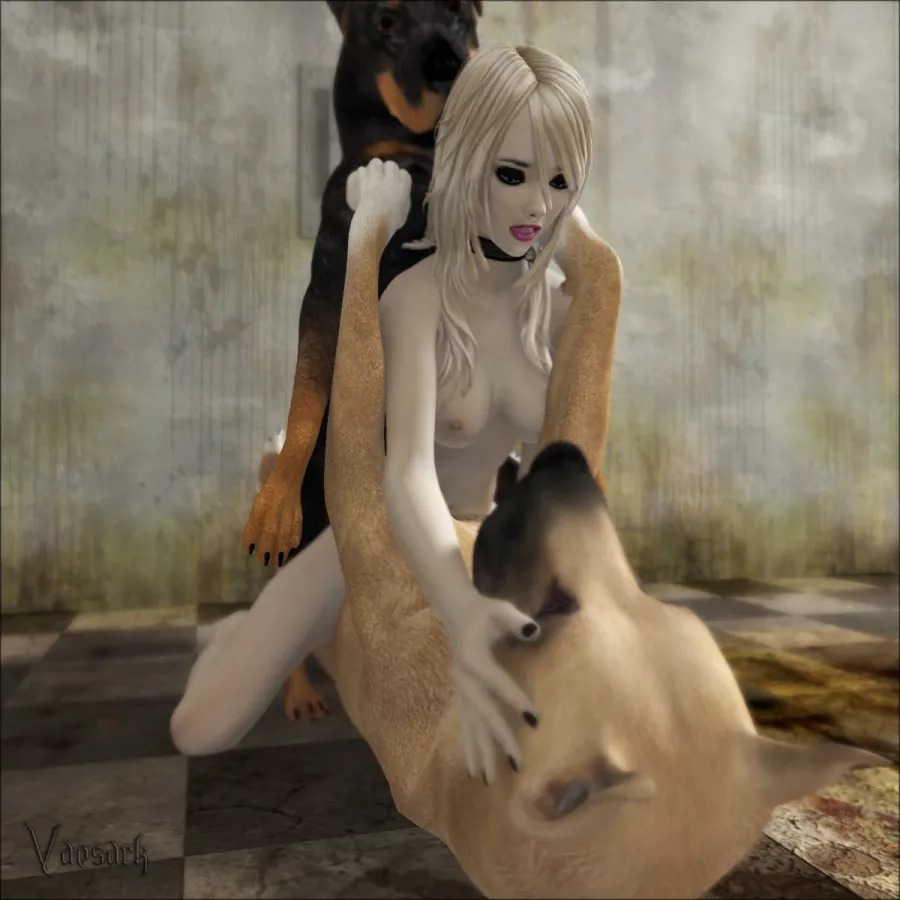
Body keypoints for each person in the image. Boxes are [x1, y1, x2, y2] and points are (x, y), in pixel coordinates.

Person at [170, 44, 600, 782]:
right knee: (200, 729)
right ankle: (243, 632)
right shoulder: (418, 297)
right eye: (513, 174)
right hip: (376, 533)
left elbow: (552, 475)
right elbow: (406, 474)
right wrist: (461, 610)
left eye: (560, 180)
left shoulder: (558, 311)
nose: (538, 205)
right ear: (466, 159)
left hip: (481, 536)